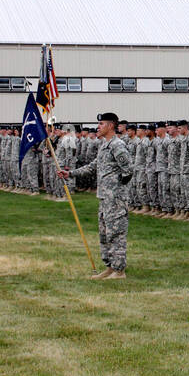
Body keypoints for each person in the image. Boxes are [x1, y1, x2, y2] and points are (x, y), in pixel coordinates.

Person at [58, 112, 133, 278]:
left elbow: (128, 169)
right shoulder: (104, 145)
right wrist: (69, 174)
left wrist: (116, 188)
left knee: (116, 233)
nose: (98, 127)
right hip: (104, 197)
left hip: (115, 198)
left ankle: (119, 270)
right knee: (105, 233)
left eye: (102, 124)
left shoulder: (117, 145)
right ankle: (110, 267)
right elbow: (92, 167)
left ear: (111, 126)